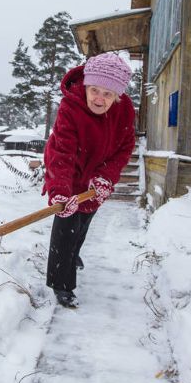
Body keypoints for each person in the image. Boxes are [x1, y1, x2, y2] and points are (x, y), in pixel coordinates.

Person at [42, 52, 136, 308]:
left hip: (96, 172)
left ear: (118, 95)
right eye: (94, 90)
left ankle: (74, 254)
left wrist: (105, 176)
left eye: (107, 94)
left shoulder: (125, 111)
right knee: (66, 226)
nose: (99, 98)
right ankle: (61, 283)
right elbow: (62, 153)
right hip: (68, 170)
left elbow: (125, 147)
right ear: (86, 85)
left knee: (84, 221)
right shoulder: (71, 107)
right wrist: (60, 191)